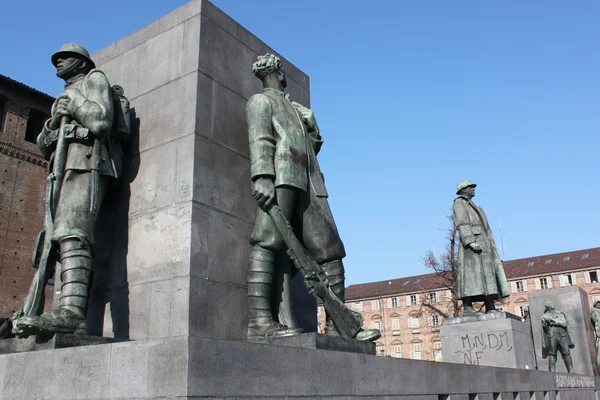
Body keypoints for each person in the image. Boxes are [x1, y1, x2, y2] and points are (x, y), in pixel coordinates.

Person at [246, 53, 378, 341]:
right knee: (268, 242)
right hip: (281, 177)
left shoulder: (295, 108)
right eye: (282, 72)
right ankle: (259, 320)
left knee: (331, 252)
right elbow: (261, 140)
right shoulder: (261, 102)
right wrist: (263, 177)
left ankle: (338, 327)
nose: (284, 77)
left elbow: (308, 150)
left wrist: (313, 129)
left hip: (310, 183)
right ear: (276, 73)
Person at [16, 43, 126, 335]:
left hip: (88, 164)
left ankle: (72, 313)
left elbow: (102, 121)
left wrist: (74, 102)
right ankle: (57, 309)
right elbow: (42, 144)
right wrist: (53, 123)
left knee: (72, 232)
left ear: (81, 62)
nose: (58, 61)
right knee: (56, 238)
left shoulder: (94, 80)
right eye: (56, 58)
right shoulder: (61, 97)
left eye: (65, 57)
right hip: (60, 171)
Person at [452, 180, 510, 315]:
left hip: (484, 246)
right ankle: (468, 307)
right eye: (471, 187)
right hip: (471, 248)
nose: (473, 189)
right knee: (470, 277)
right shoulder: (459, 203)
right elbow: (462, 222)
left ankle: (491, 306)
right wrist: (469, 241)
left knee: (488, 276)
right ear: (463, 189)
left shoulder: (478, 208)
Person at [541, 301, 575, 373]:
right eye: (551, 304)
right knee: (552, 353)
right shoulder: (545, 316)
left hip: (562, 335)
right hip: (552, 335)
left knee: (566, 352)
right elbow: (545, 328)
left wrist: (555, 322)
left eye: (552, 303)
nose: (553, 304)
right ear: (548, 307)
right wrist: (545, 325)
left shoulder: (560, 314)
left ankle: (571, 370)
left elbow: (564, 323)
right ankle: (552, 371)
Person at [590, 300, 600, 365]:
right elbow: (593, 318)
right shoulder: (593, 310)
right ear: (595, 304)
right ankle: (598, 360)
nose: (599, 304)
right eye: (598, 303)